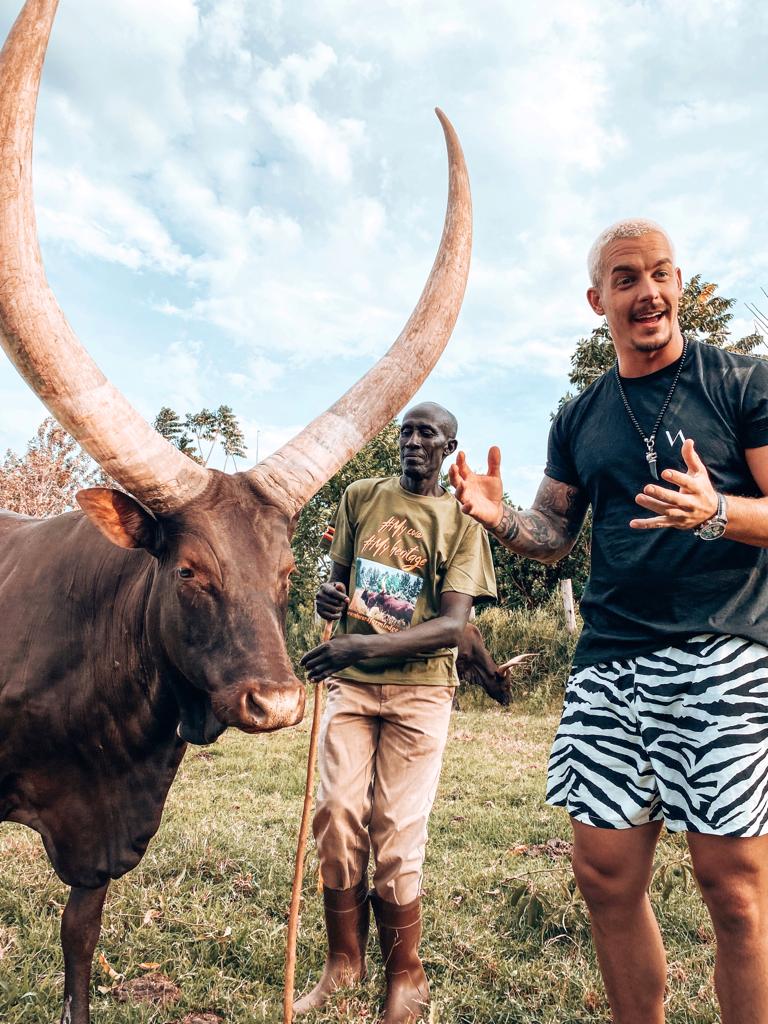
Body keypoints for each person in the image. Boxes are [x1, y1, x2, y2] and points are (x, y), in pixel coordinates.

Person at [450, 219, 768, 1024]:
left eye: (659, 274)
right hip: (607, 664)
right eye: (626, 279)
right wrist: (500, 518)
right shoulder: (580, 416)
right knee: (602, 874)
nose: (647, 292)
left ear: (681, 285)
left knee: (732, 890)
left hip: (721, 651)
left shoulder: (741, 384)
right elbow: (554, 536)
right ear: (599, 301)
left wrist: (718, 510)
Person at [295, 401, 496, 1023]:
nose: (412, 441)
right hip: (350, 686)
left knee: (397, 831)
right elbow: (338, 580)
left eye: (426, 433)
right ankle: (343, 960)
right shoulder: (360, 496)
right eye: (405, 431)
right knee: (335, 813)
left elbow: (452, 625)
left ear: (449, 446)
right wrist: (331, 596)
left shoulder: (462, 521)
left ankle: (406, 974)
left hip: (420, 693)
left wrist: (361, 642)